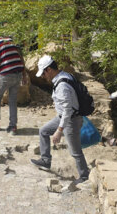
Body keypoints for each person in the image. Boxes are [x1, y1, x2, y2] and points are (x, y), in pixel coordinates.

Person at [30, 55, 89, 184]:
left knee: (75, 151)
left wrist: (59, 130)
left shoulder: (62, 85)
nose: (44, 77)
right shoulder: (64, 75)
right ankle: (46, 161)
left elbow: (68, 110)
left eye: (44, 73)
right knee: (44, 131)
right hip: (63, 117)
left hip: (70, 120)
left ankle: (84, 176)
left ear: (49, 69)